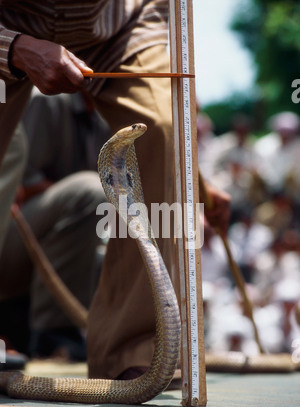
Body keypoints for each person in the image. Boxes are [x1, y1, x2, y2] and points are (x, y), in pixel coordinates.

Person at [0, 2, 231, 381]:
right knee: (88, 195)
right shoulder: (48, 110)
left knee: (163, 128)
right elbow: (24, 190)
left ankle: (132, 353)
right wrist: (12, 47)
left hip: (116, 22)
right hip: (10, 18)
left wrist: (195, 185)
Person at [0, 89, 111, 361]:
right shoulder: (45, 100)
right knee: (91, 194)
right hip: (14, 233)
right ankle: (53, 336)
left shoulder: (103, 116)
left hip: (52, 233)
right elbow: (22, 183)